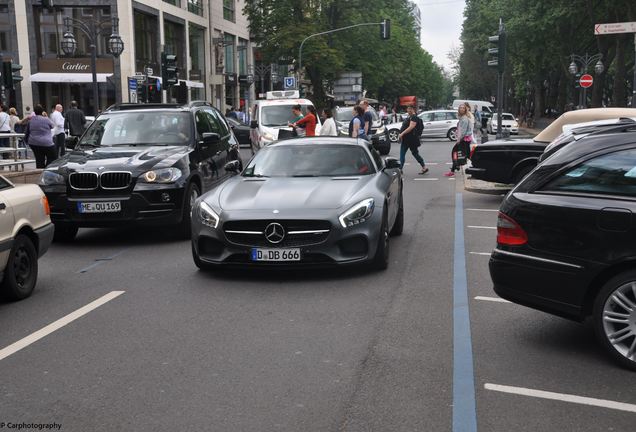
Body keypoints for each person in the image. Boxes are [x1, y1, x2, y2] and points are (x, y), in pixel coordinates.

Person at [398, 105, 428, 174]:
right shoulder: (410, 117)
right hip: (409, 139)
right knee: (415, 154)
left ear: (413, 109)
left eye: (409, 109)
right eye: (408, 109)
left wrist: (402, 134)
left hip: (410, 140)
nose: (408, 110)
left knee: (403, 154)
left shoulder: (414, 118)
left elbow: (411, 127)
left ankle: (400, 169)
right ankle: (424, 167)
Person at [445, 104, 473, 177]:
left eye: (463, 108)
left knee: (455, 152)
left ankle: (455, 168)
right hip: (465, 140)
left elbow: (463, 132)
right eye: (460, 108)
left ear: (465, 110)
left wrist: (459, 140)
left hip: (463, 140)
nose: (461, 109)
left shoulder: (464, 119)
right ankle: (455, 167)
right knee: (467, 155)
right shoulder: (463, 118)